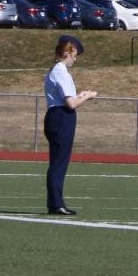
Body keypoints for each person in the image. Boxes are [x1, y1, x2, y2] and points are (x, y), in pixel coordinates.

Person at [43, 34, 96, 215]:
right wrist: (86, 96)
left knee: (58, 162)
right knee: (59, 163)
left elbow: (70, 99)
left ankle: (56, 202)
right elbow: (71, 103)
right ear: (68, 52)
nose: (75, 58)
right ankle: (56, 203)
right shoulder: (60, 71)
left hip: (59, 116)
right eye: (74, 54)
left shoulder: (58, 70)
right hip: (60, 117)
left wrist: (81, 95)